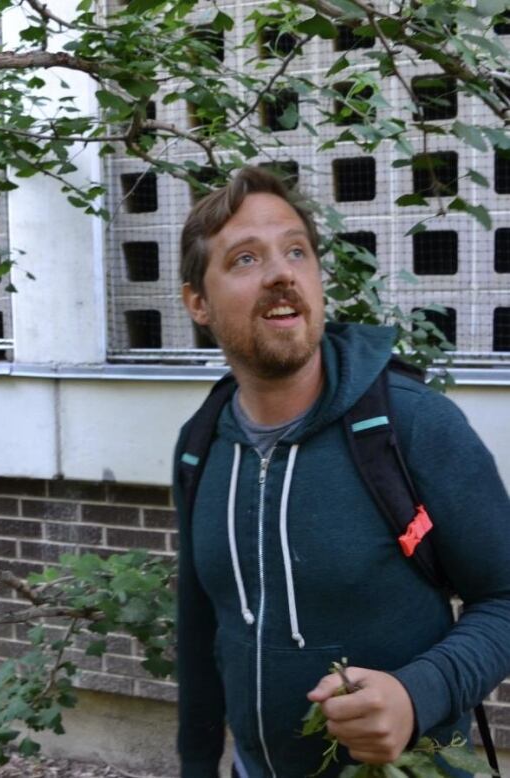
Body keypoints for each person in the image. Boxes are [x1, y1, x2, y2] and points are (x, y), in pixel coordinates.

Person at [174, 166, 510, 777]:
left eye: (296, 251)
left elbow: (507, 597)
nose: (282, 273)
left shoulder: (411, 425)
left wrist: (418, 694)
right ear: (198, 301)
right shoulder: (200, 446)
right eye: (246, 259)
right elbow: (200, 634)